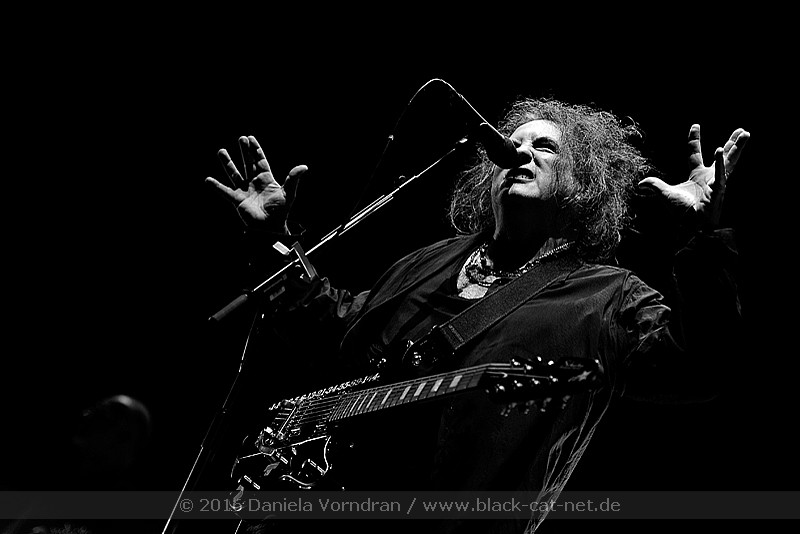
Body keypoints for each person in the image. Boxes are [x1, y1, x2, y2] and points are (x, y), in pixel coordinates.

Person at [203, 95, 749, 534]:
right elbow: (338, 324)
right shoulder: (430, 261)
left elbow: (698, 366)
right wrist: (272, 240)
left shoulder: (606, 295)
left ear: (584, 185)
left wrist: (702, 238)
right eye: (512, 144)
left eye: (544, 147)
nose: (520, 153)